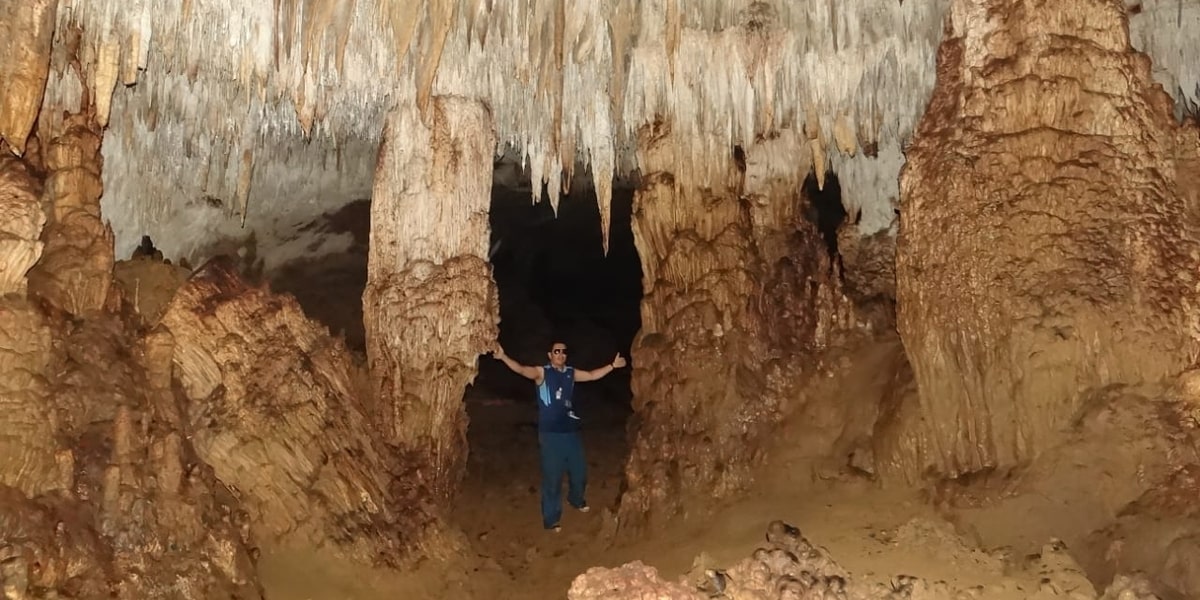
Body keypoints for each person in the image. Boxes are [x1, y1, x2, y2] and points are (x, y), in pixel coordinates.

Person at [494, 341, 627, 532]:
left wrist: (612, 366)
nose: (561, 354)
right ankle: (551, 518)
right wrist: (503, 357)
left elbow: (591, 376)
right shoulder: (542, 373)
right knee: (553, 478)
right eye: (557, 351)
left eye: (564, 351)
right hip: (551, 435)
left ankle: (576, 499)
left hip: (571, 432)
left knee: (579, 471)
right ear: (550, 354)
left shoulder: (570, 373)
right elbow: (522, 370)